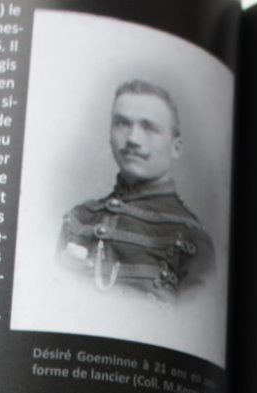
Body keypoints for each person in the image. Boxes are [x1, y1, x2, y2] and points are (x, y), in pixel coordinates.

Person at [59, 79, 213, 302]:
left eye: (149, 127)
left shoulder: (192, 237)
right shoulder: (79, 219)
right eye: (122, 123)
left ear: (176, 147)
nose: (133, 139)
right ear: (109, 135)